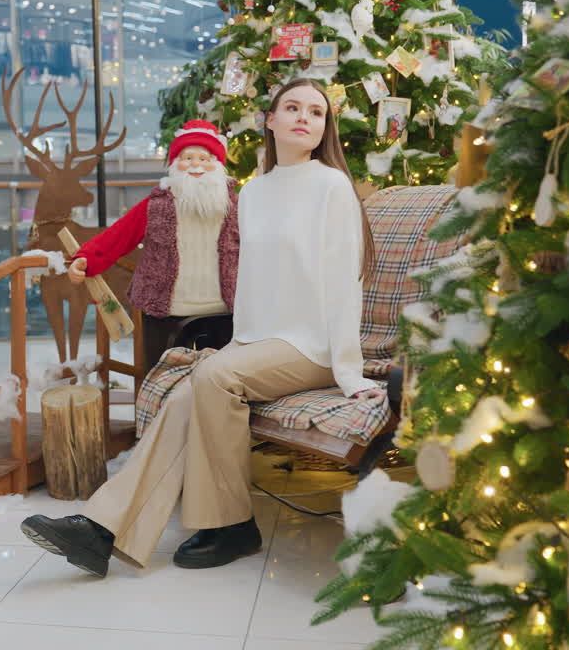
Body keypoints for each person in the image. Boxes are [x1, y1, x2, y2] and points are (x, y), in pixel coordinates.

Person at [21, 79, 386, 577]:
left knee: (212, 377)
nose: (305, 118)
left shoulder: (331, 186)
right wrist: (237, 346)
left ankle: (232, 525)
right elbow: (251, 281)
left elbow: (346, 281)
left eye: (317, 112)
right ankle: (99, 531)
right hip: (264, 343)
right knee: (190, 393)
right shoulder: (253, 195)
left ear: (325, 128)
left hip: (316, 345)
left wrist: (348, 370)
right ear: (270, 121)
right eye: (293, 107)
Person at [67, 118, 239, 378]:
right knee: (161, 379)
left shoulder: (237, 207)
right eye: (187, 157)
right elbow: (119, 236)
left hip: (223, 311)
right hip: (165, 311)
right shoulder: (156, 205)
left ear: (218, 166)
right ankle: (158, 419)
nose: (195, 165)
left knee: (220, 380)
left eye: (204, 159)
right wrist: (86, 259)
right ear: (174, 165)